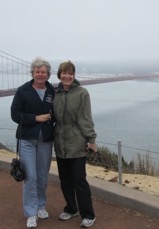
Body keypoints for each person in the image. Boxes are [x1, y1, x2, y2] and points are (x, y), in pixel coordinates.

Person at [10, 57, 55, 228]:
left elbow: (58, 111)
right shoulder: (23, 91)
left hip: (45, 139)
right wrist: (36, 118)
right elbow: (15, 115)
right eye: (37, 71)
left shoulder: (53, 91)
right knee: (31, 177)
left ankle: (41, 206)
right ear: (32, 73)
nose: (40, 74)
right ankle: (31, 212)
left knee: (42, 177)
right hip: (27, 139)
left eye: (43, 72)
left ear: (48, 74)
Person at [53, 60, 97, 228]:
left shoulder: (82, 93)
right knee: (65, 179)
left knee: (79, 180)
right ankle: (71, 209)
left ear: (74, 75)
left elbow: (85, 118)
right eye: (64, 73)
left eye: (70, 73)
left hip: (77, 142)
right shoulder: (55, 92)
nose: (67, 76)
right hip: (60, 142)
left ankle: (88, 214)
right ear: (59, 75)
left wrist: (91, 140)